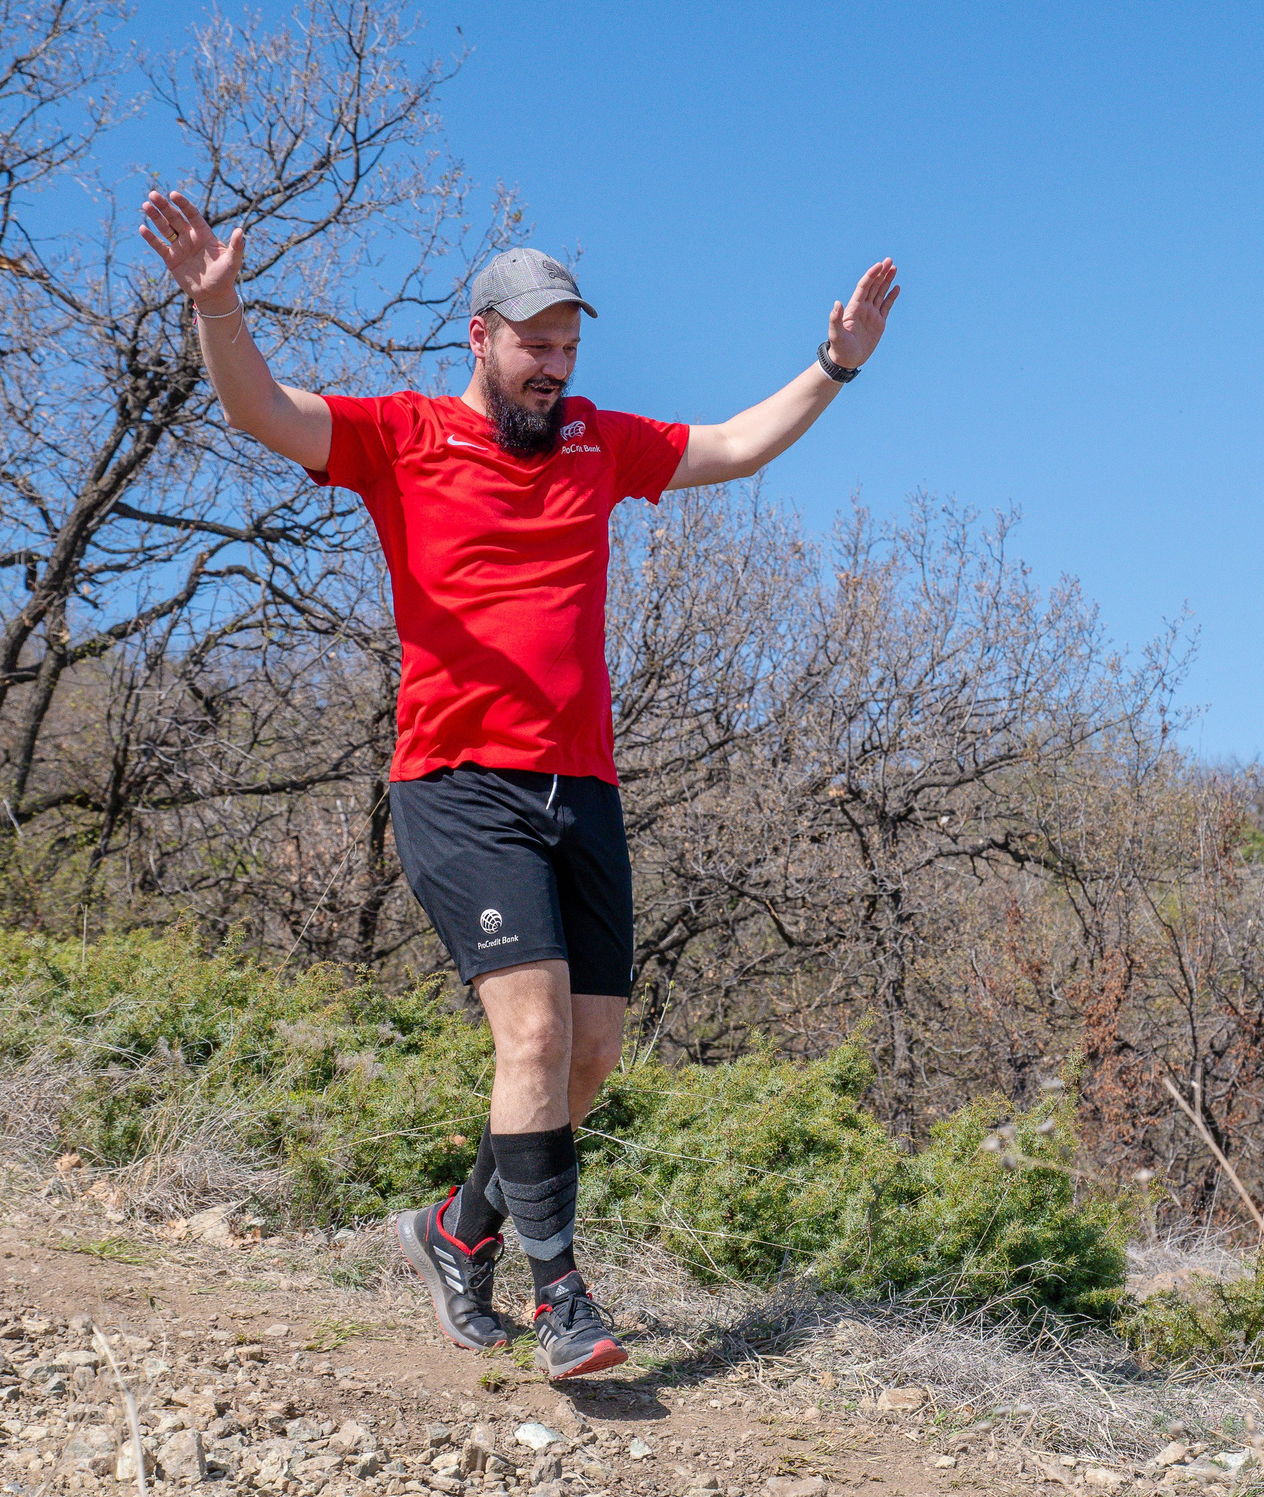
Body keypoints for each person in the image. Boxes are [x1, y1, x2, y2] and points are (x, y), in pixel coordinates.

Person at [139, 192, 898, 1377]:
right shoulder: (401, 437)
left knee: (586, 1055)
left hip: (580, 785)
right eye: (534, 344)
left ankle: (455, 1232)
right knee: (532, 1029)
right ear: (481, 338)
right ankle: (561, 1300)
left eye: (568, 347)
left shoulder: (600, 444)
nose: (553, 366)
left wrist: (832, 366)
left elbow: (737, 445)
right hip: (456, 779)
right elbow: (260, 410)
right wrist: (216, 304)